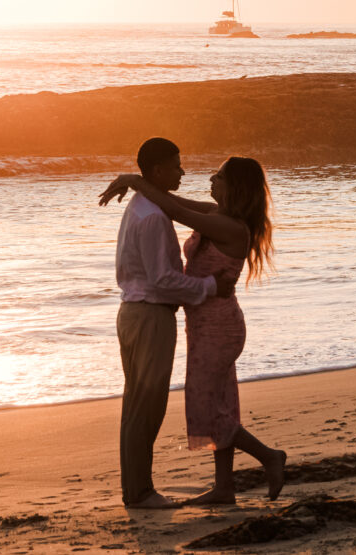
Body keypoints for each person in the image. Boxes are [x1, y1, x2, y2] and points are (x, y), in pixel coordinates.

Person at [100, 155, 286, 505]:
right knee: (222, 402)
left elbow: (175, 211)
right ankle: (224, 487)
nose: (210, 179)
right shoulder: (218, 215)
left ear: (235, 187)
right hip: (203, 323)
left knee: (206, 406)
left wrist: (135, 179)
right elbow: (175, 204)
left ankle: (269, 457)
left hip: (218, 325)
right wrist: (135, 180)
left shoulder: (230, 227)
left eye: (219, 176)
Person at [106, 137, 236, 509]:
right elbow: (163, 279)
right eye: (177, 165)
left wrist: (133, 178)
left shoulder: (146, 207)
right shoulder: (150, 217)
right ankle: (140, 492)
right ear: (159, 170)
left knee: (139, 406)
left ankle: (137, 489)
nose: (183, 171)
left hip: (138, 313)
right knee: (145, 407)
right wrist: (210, 285)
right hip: (149, 315)